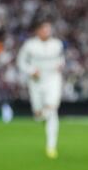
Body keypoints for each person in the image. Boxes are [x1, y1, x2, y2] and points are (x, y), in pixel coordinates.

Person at [16, 21, 65, 159]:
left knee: (52, 109)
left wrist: (61, 65)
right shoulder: (30, 45)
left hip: (53, 79)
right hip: (36, 82)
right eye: (44, 29)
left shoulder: (57, 44)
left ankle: (51, 147)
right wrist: (31, 70)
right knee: (40, 114)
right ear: (38, 30)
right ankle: (39, 114)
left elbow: (61, 59)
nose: (47, 31)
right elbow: (20, 62)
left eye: (48, 29)